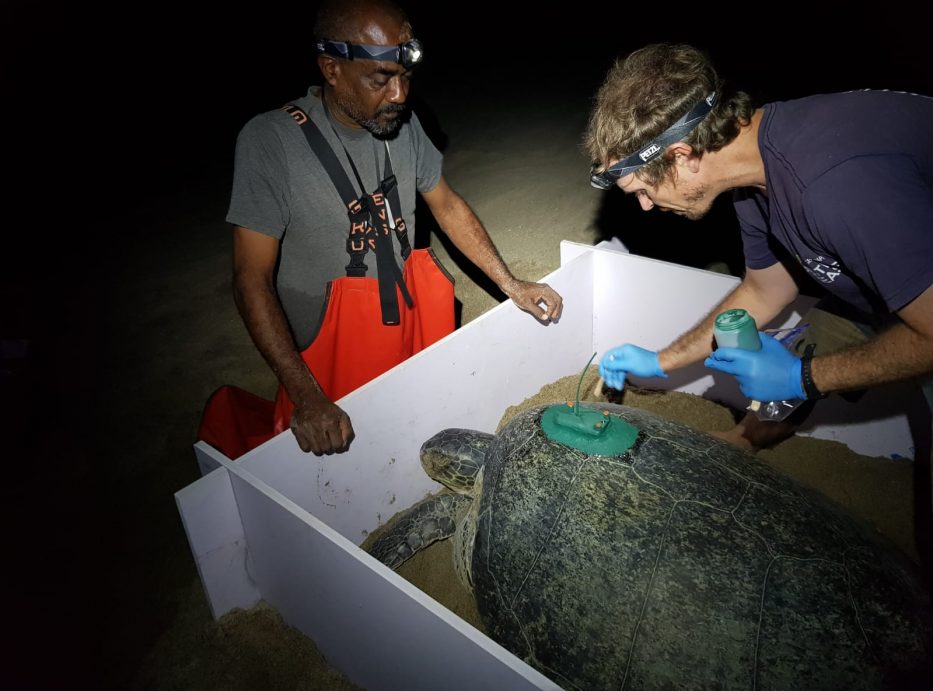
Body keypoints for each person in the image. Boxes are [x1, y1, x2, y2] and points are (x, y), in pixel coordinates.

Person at [203, 0, 562, 459]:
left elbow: (447, 204)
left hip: (409, 319)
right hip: (329, 349)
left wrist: (511, 284)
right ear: (331, 69)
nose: (399, 95)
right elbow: (250, 278)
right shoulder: (270, 141)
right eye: (381, 79)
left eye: (405, 77)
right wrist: (305, 394)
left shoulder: (401, 125)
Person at [585, 43, 933, 452]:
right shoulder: (755, 173)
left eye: (642, 189)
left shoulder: (834, 187)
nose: (646, 206)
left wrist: (802, 378)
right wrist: (660, 361)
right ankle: (747, 439)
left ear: (682, 156)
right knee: (811, 340)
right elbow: (765, 290)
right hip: (892, 268)